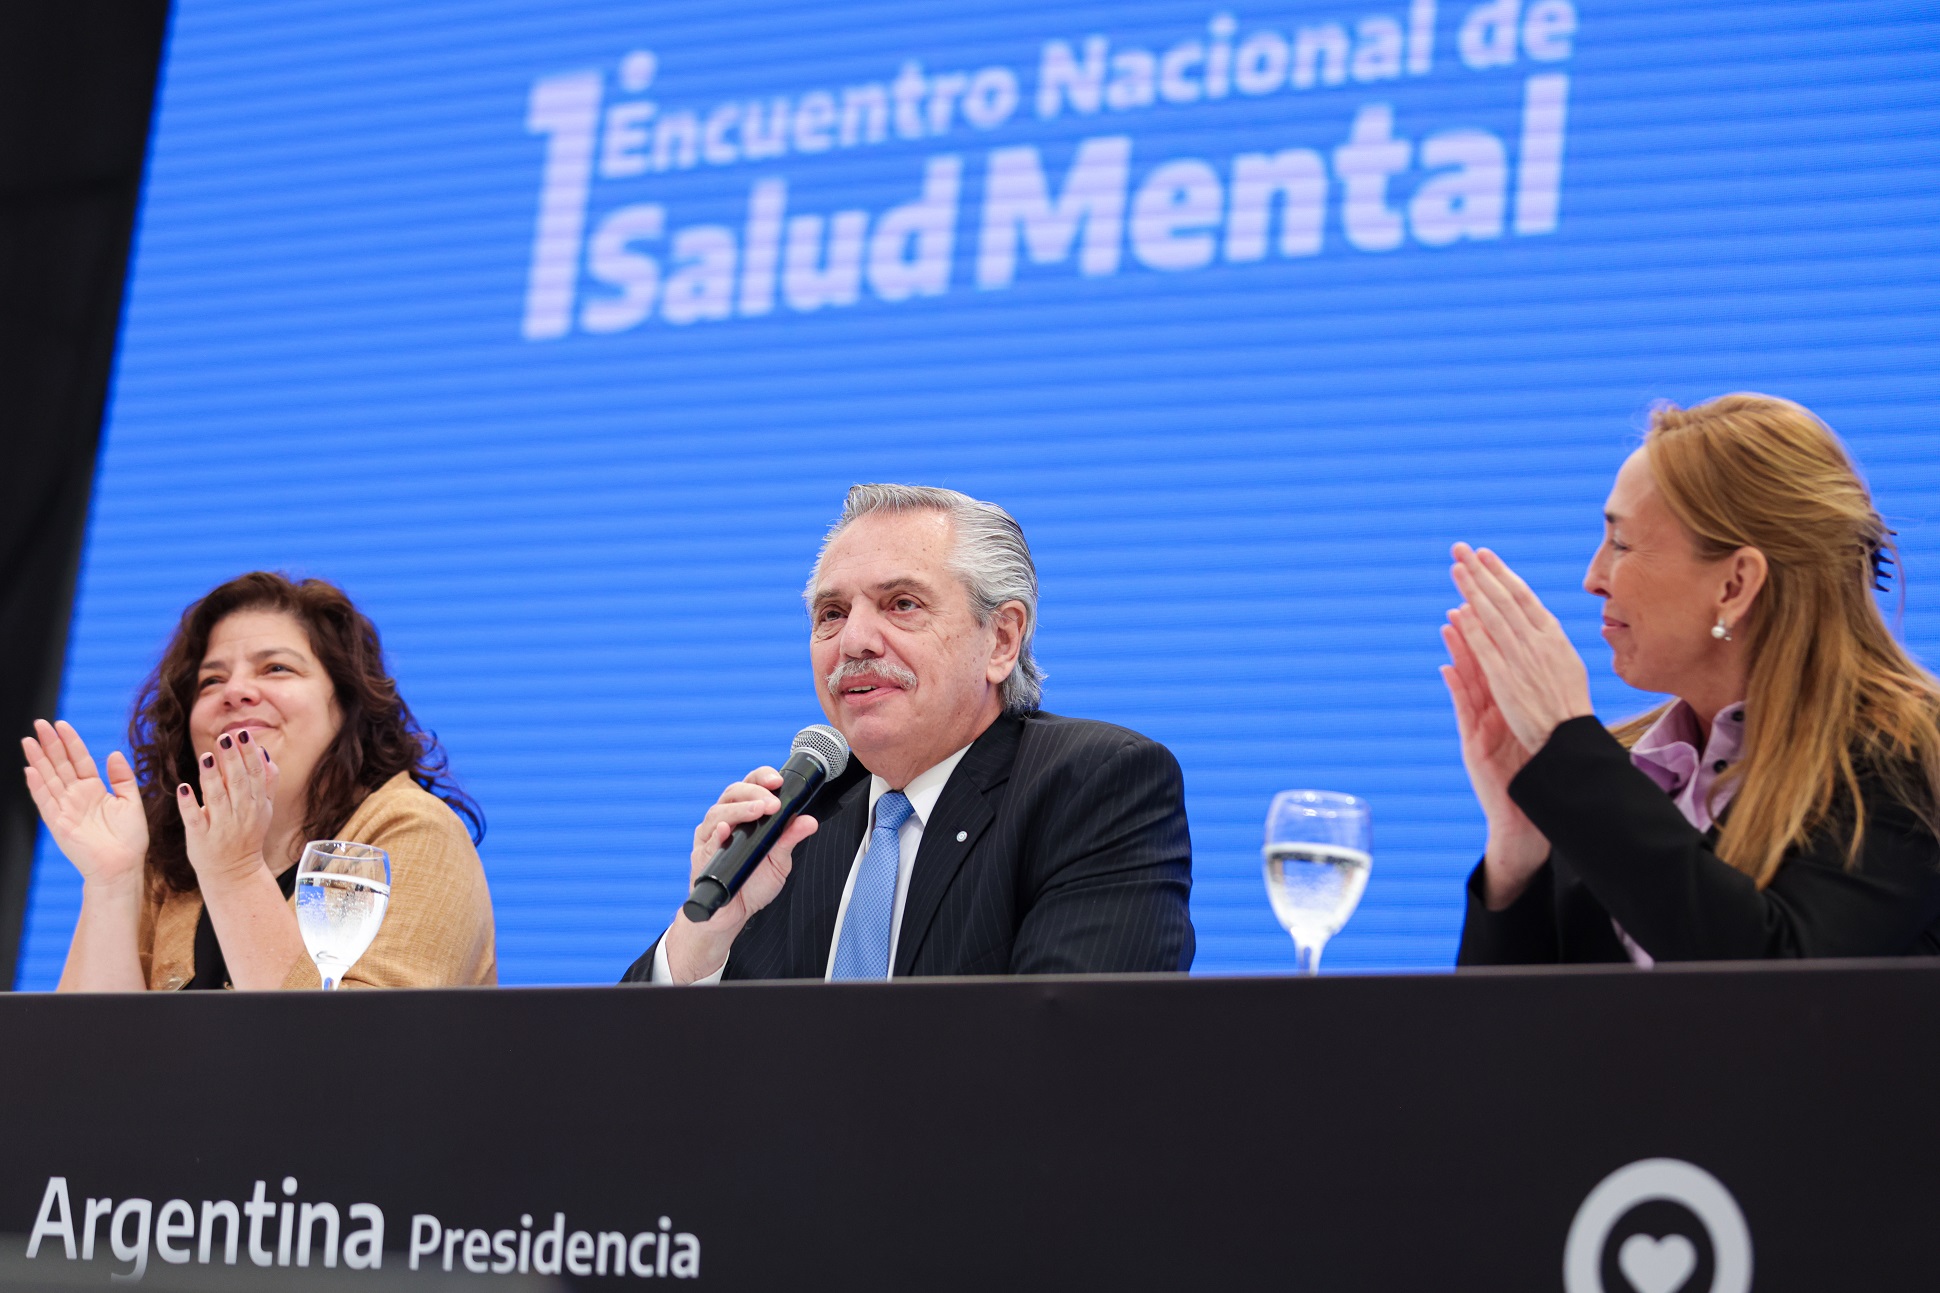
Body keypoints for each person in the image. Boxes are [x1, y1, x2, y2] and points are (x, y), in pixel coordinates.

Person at [624, 484, 1194, 984]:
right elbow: (621, 1082)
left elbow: (1079, 1052)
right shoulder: (793, 823)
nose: (854, 641)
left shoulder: (1092, 784)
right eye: (832, 613)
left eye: (902, 604)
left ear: (1000, 640)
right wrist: (704, 938)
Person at [1444, 393, 1940, 964]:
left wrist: (1569, 748)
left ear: (1734, 586)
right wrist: (1519, 847)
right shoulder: (1612, 773)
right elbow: (1502, 1045)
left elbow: (1777, 990)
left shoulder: (1906, 757)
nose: (1593, 578)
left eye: (1622, 543)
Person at [25, 572, 496, 990]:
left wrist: (235, 872)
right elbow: (89, 1062)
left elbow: (353, 1062)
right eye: (211, 681)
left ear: (347, 703)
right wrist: (111, 881)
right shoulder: (170, 856)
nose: (235, 692)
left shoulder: (413, 831)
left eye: (277, 668)